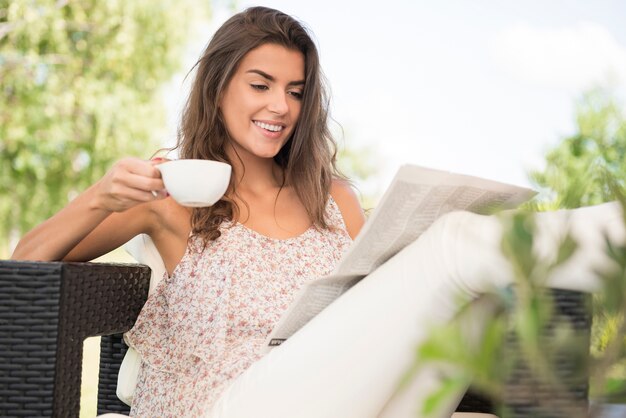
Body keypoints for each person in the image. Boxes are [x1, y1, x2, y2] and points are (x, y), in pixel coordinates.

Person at [11, 6, 626, 418]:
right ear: (218, 86)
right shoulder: (172, 193)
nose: (280, 105)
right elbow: (26, 266)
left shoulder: (335, 198)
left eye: (296, 91)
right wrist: (99, 197)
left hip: (339, 395)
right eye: (260, 84)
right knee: (454, 244)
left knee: (475, 291)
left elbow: (372, 306)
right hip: (225, 404)